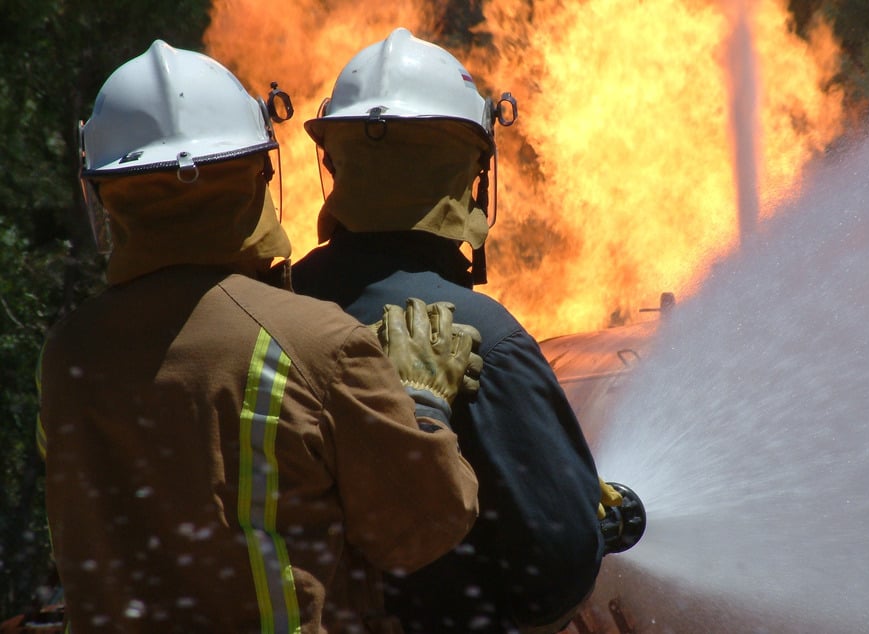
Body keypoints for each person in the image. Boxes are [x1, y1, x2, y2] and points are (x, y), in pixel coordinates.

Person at [36, 40, 482, 634]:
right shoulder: (318, 342)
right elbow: (418, 529)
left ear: (107, 197)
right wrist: (423, 400)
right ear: (258, 177)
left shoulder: (68, 353)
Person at [292, 28, 642, 633]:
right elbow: (553, 579)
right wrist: (586, 526)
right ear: (472, 171)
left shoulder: (270, 306)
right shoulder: (481, 336)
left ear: (333, 160)